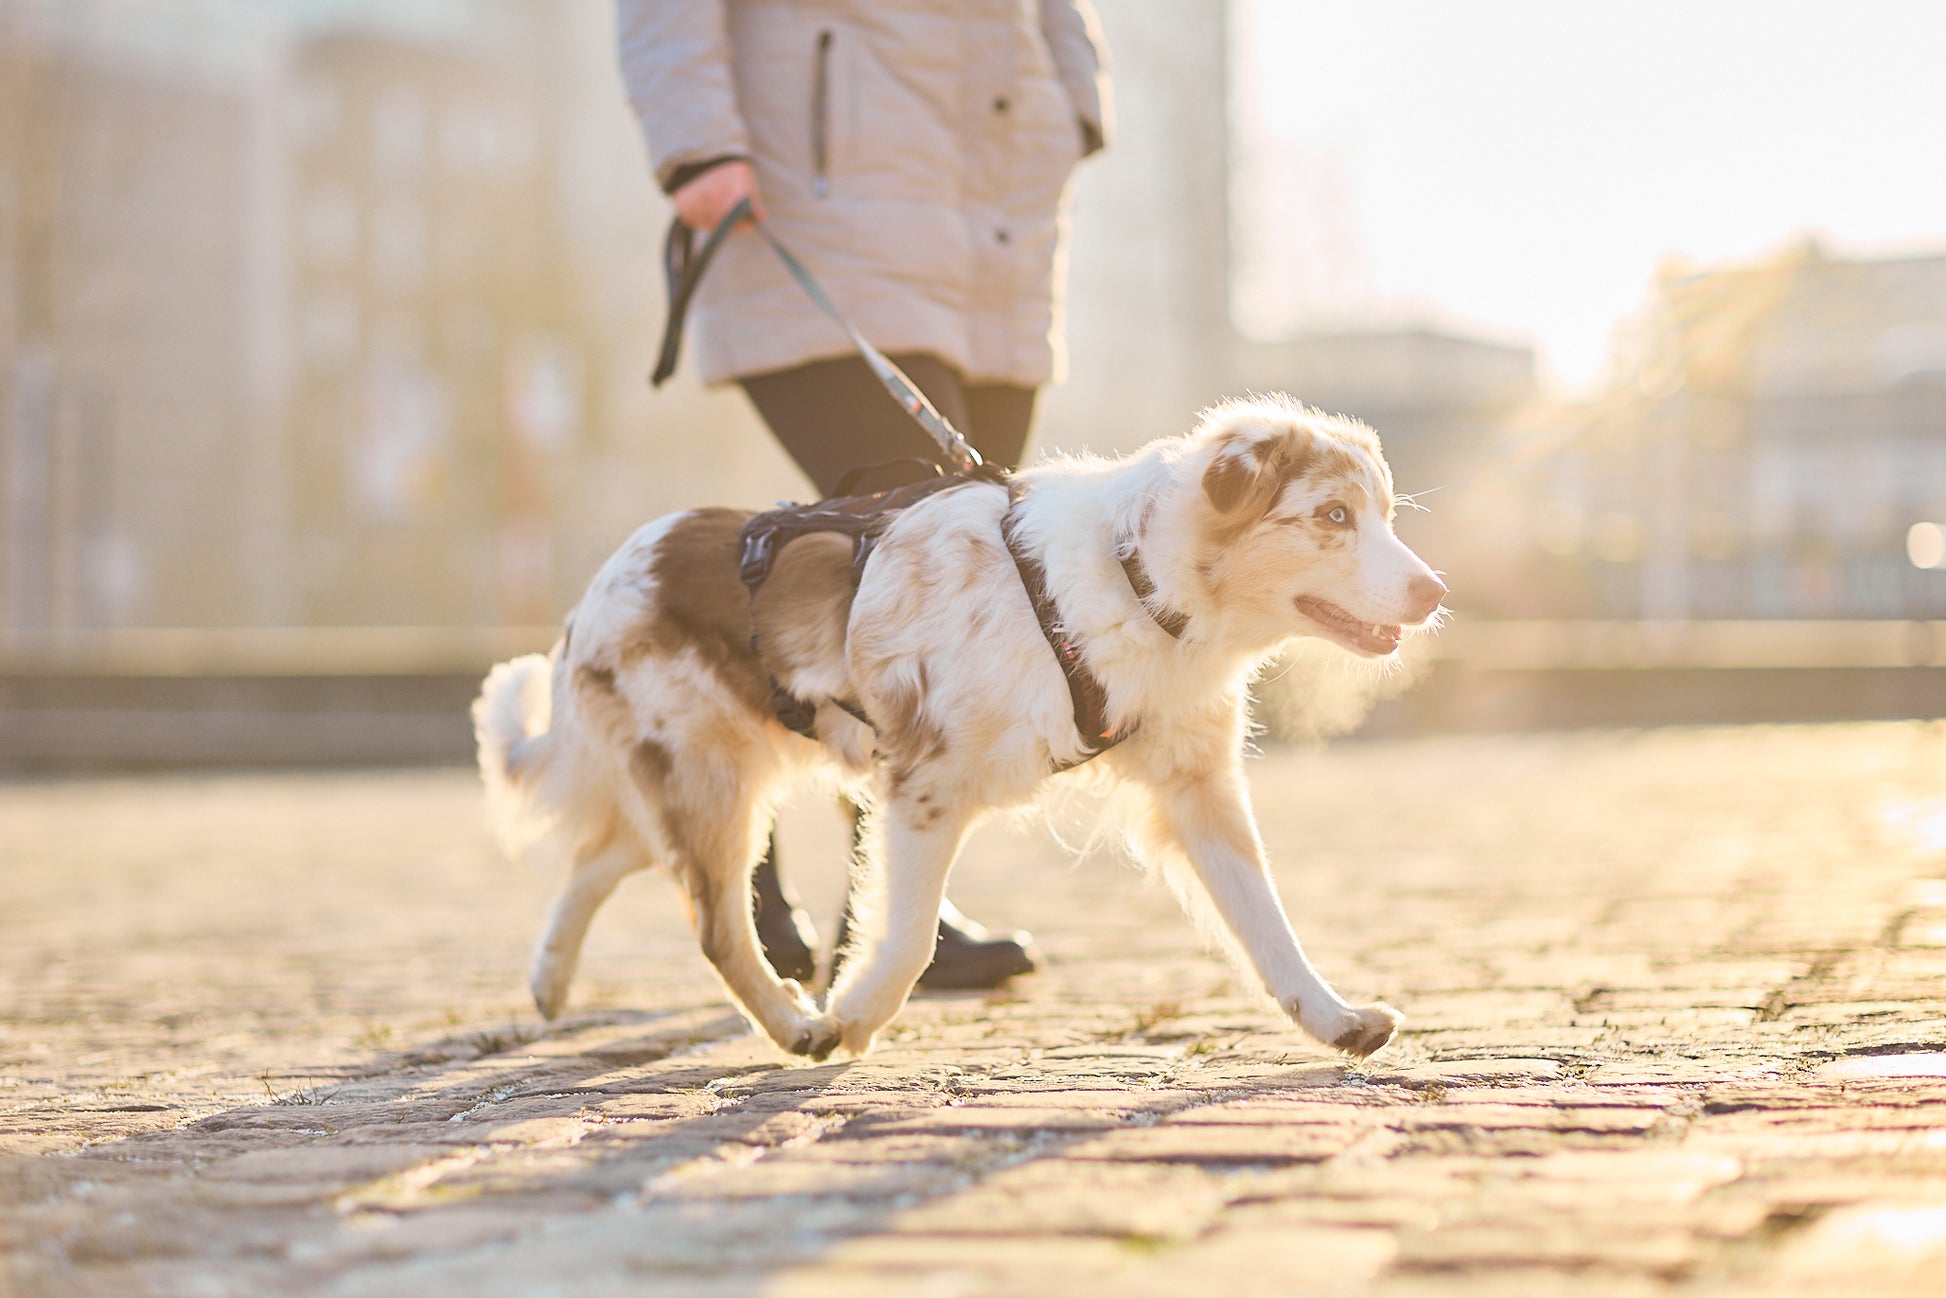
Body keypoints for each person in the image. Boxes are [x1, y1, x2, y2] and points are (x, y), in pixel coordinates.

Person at [617, 0, 1112, 989]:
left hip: (994, 232)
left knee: (959, 580)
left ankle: (865, 907)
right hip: (826, 205)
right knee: (913, 553)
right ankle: (771, 864)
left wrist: (1075, 93)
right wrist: (695, 144)